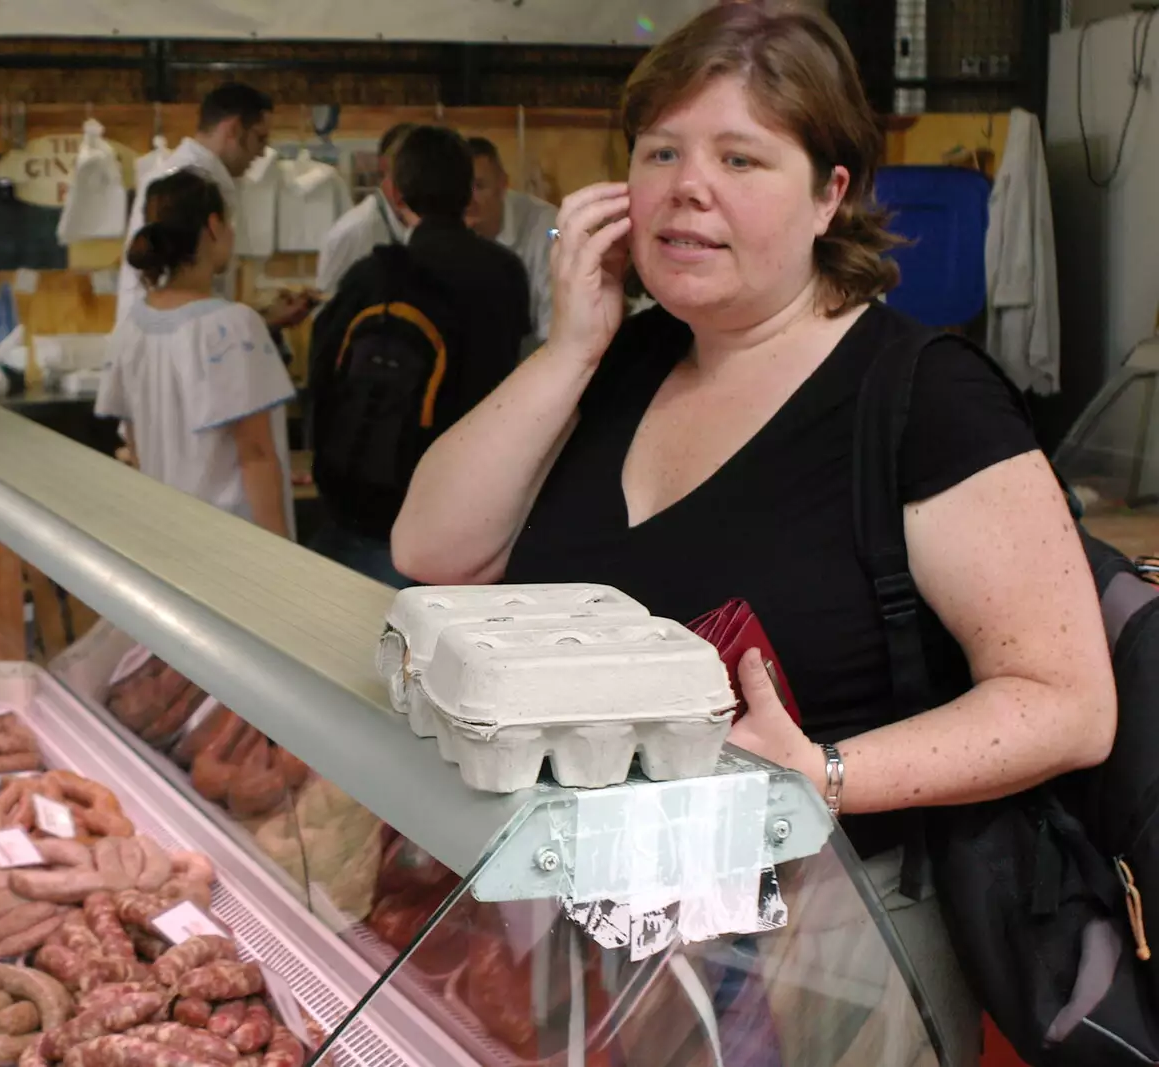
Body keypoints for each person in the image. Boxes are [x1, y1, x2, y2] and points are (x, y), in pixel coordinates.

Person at [390, 6, 1115, 1065]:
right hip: (595, 938)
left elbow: (1066, 701)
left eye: (741, 156)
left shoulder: (921, 396)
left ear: (831, 194)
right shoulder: (628, 363)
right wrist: (571, 345)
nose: (690, 185)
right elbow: (433, 550)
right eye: (661, 151)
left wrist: (818, 770)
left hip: (826, 953)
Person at [309, 125, 531, 587]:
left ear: (393, 192)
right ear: (468, 190)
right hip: (468, 507)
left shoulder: (370, 276)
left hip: (371, 504)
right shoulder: (503, 273)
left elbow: (322, 379)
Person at [97, 169, 296, 539]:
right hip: (233, 543)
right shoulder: (233, 326)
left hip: (168, 537)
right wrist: (285, 559)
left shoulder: (131, 327)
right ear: (215, 226)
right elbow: (255, 454)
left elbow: (135, 448)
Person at [115, 82, 313, 333]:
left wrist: (260, 316)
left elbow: (199, 294)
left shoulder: (209, 180)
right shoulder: (182, 183)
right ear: (232, 129)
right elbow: (173, 293)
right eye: (259, 138)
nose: (263, 152)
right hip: (170, 346)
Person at [466, 136, 558, 344]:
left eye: (479, 186)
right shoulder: (442, 229)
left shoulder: (548, 227)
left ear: (503, 185)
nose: (468, 199)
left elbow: (553, 324)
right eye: (460, 188)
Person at [314, 123, 417, 297]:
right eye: (407, 166)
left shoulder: (415, 223)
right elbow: (326, 313)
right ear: (385, 167)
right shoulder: (351, 233)